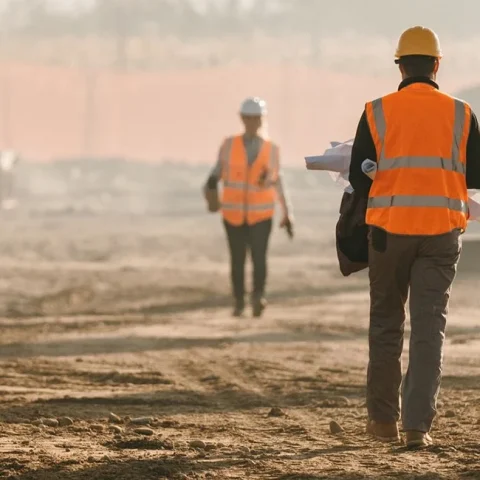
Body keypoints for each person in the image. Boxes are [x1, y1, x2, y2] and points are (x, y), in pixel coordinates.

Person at [349, 26, 480, 448]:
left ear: (400, 66)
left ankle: (383, 422)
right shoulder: (462, 113)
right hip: (441, 236)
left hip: (388, 234)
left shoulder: (376, 111)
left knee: (386, 324)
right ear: (437, 65)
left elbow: (358, 176)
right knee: (429, 330)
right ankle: (416, 428)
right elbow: (476, 176)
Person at [204, 97, 294, 318]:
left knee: (259, 258)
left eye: (256, 118)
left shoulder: (271, 149)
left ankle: (258, 298)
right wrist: (211, 190)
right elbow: (215, 174)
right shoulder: (229, 145)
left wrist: (287, 213)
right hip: (233, 215)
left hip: (261, 215)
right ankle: (238, 302)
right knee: (237, 260)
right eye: (249, 118)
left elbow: (278, 181)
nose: (253, 122)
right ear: (242, 118)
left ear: (261, 119)